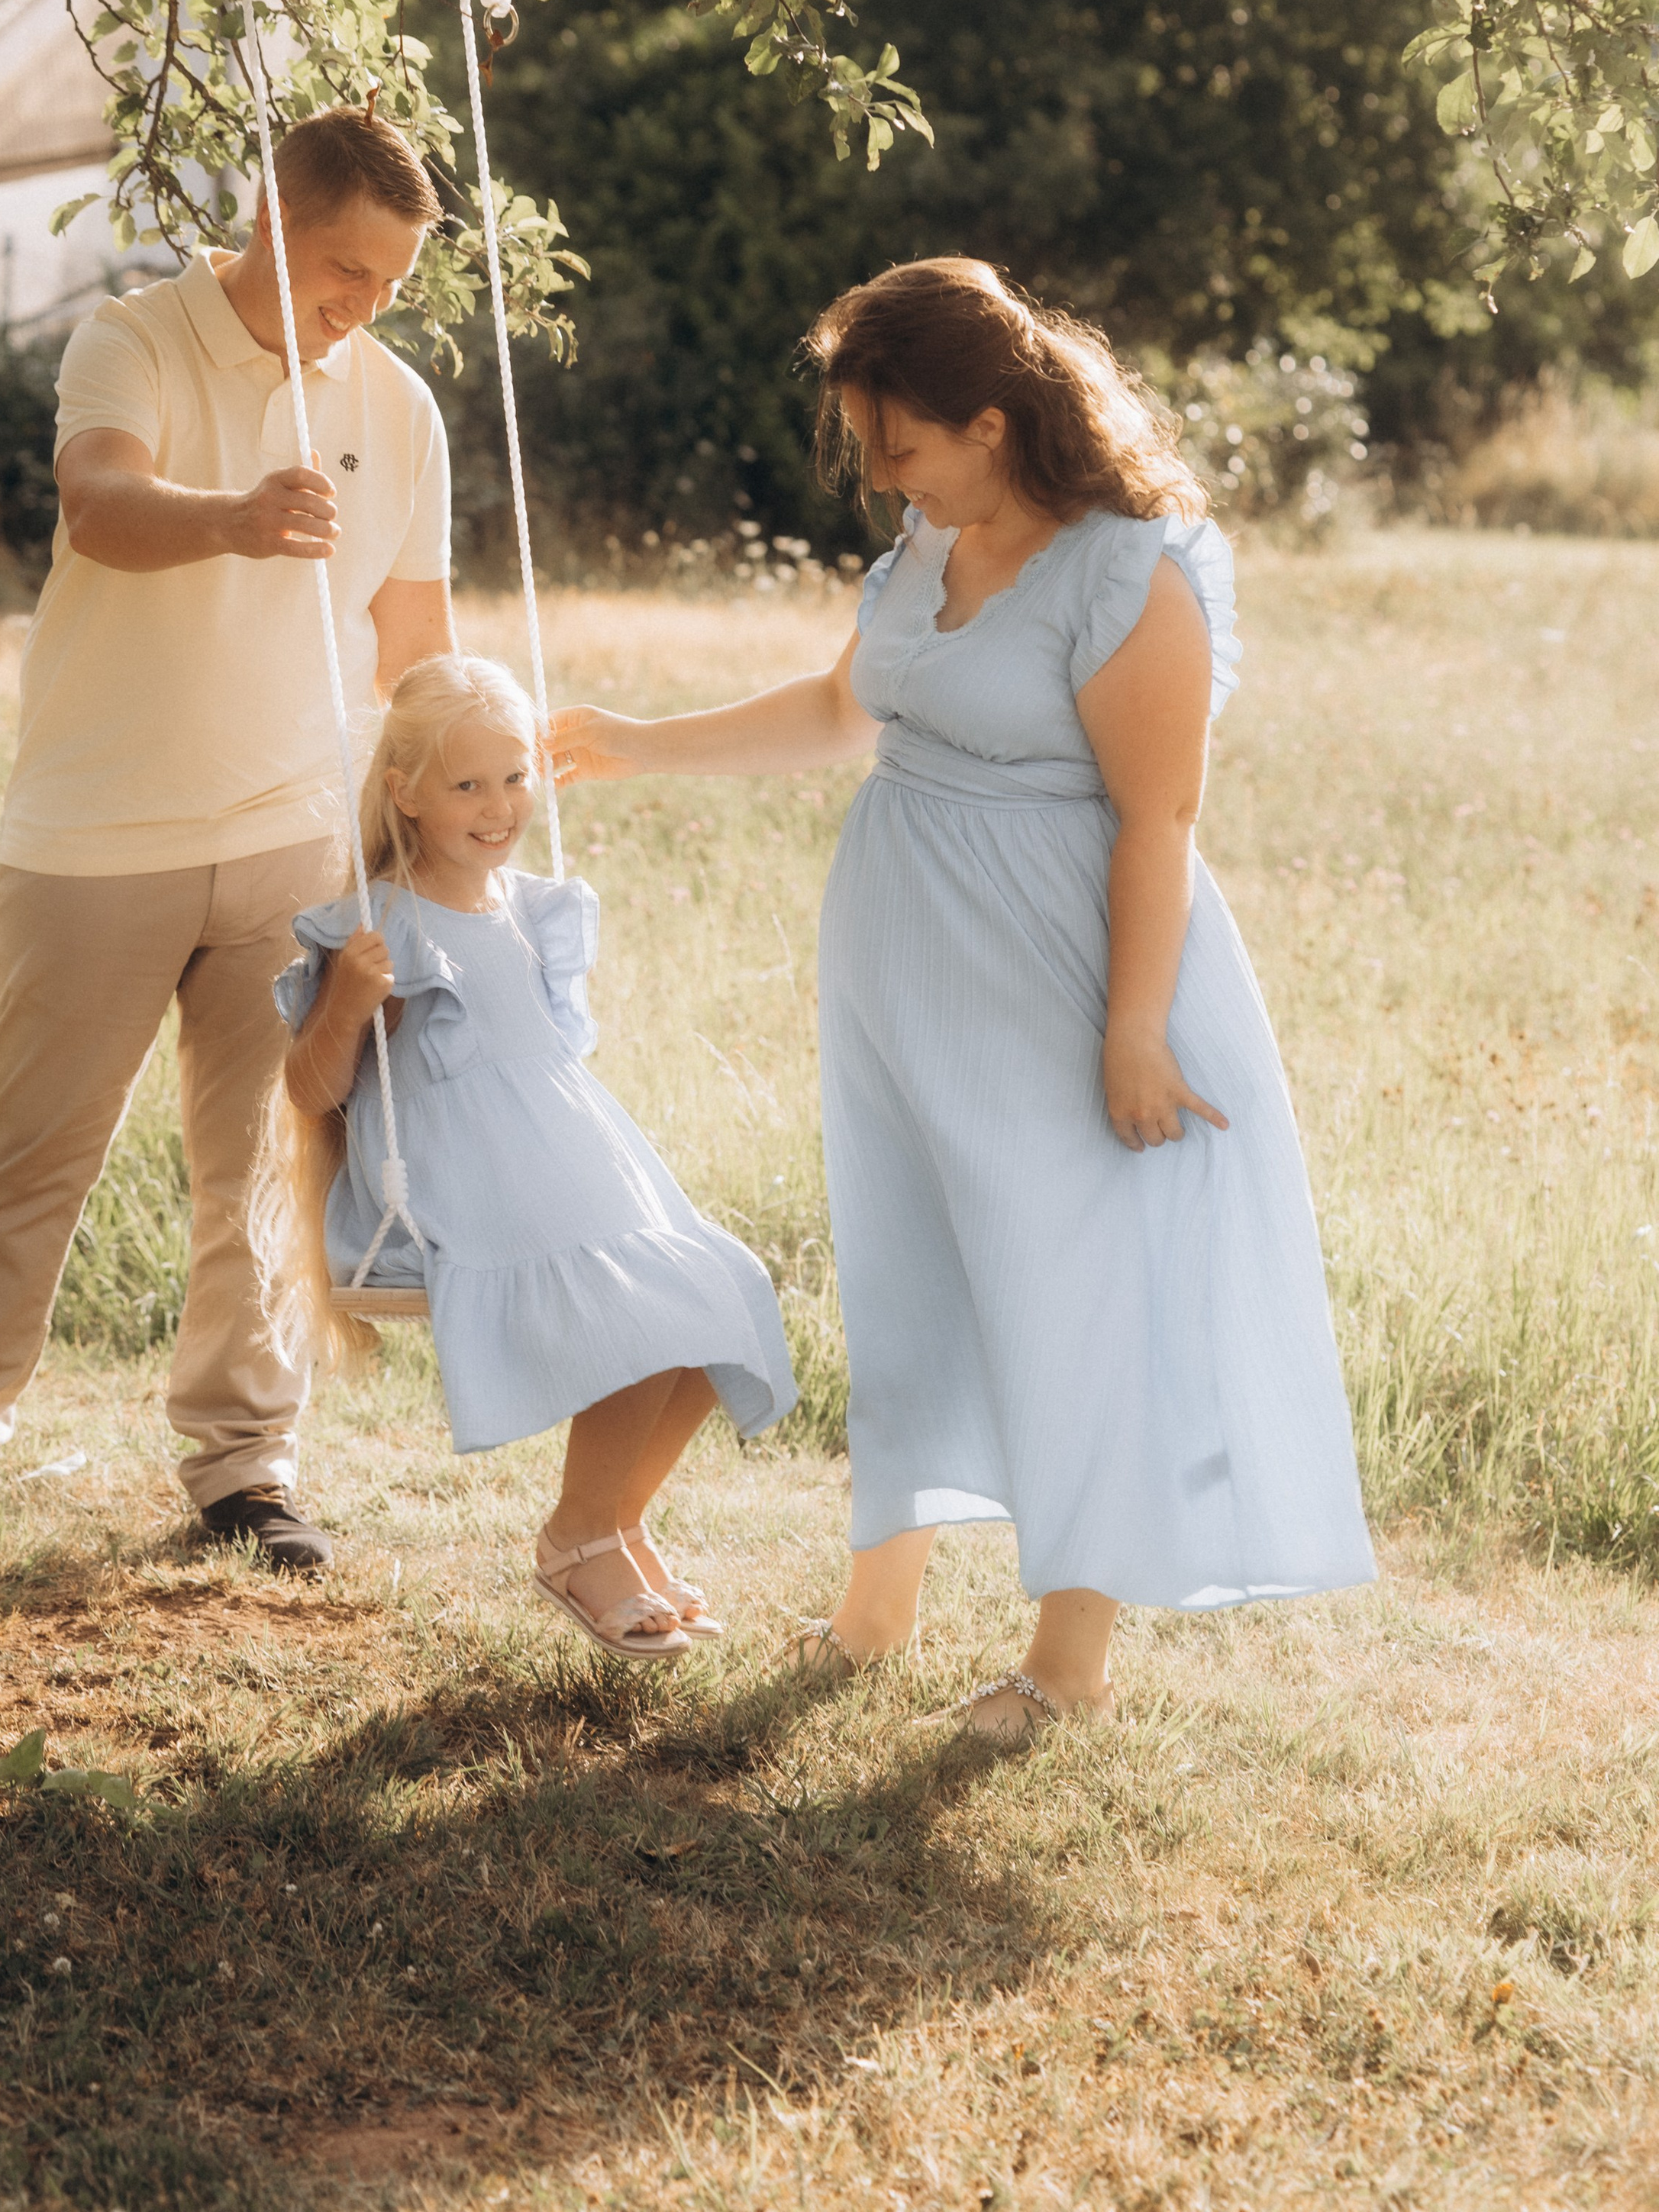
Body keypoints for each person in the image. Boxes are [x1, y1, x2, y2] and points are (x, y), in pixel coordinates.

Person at [552, 258, 1375, 1736]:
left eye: (898, 446)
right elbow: (834, 707)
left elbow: (1156, 821)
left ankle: (1064, 1660)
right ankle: (875, 1607)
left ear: (992, 423)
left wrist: (1131, 1028)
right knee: (907, 1266)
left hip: (1060, 971)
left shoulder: (1129, 569)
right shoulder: (923, 552)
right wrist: (632, 743)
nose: (878, 478)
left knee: (1071, 1294)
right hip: (901, 970)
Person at [0, 108, 457, 1572]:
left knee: (262, 1160)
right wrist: (235, 517)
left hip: (293, 839)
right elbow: (100, 504)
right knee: (30, 1151)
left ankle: (245, 1466)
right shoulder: (133, 337)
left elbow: (412, 636)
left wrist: (436, 814)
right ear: (270, 220)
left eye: (392, 286)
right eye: (344, 273)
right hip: (95, 833)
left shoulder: (400, 406)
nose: (362, 309)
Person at [263, 652, 797, 1653]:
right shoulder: (379, 924)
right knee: (646, 1307)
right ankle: (579, 1535)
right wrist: (342, 1005)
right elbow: (311, 1088)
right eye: (467, 784)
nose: (499, 804)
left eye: (514, 776)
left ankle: (614, 1524)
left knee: (724, 1286)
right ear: (406, 794)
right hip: (465, 1184)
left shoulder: (534, 909)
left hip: (564, 1156)